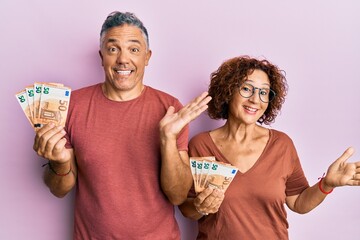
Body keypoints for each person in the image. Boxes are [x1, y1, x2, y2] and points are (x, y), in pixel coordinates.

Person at [33, 11, 210, 239]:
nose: (123, 59)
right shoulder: (71, 106)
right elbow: (59, 189)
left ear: (147, 56)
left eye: (134, 49)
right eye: (113, 48)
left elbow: (177, 196)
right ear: (101, 56)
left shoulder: (171, 108)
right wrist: (59, 161)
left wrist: (167, 139)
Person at [178, 55, 360, 239]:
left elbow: (298, 203)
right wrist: (199, 206)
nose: (256, 100)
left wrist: (326, 184)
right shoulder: (201, 145)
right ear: (228, 91)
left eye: (264, 92)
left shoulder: (282, 145)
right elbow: (186, 209)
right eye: (247, 89)